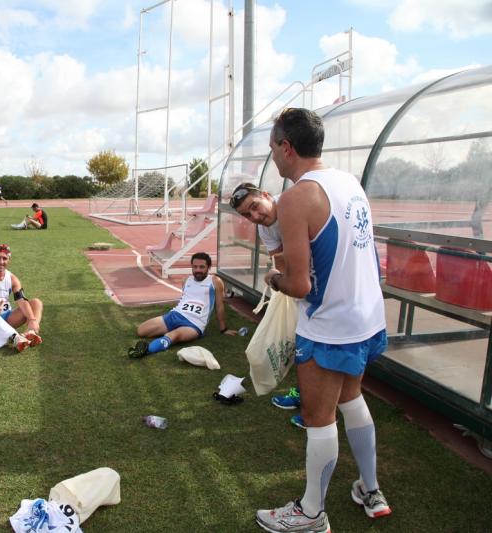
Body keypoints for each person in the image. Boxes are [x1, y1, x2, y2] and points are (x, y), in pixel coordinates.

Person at [255, 108, 391, 533]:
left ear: (286, 147)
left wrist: (273, 278)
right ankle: (370, 489)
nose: (273, 156)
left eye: (274, 147)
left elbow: (298, 285)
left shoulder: (298, 197)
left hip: (330, 325)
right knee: (352, 399)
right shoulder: (348, 181)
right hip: (367, 318)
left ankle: (311, 513)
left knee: (319, 418)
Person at [230, 182, 305, 429]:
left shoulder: (292, 205)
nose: (255, 216)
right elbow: (283, 264)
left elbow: (295, 265)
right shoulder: (266, 229)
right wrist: (280, 279)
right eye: (246, 215)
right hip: (306, 290)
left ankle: (318, 409)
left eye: (255, 207)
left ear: (265, 195)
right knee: (303, 347)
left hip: (330, 290)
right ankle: (306, 396)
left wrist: (275, 278)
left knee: (321, 355)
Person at [127, 252, 235, 358]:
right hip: (175, 315)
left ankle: (145, 350)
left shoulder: (215, 281)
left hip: (194, 324)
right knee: (141, 331)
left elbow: (219, 305)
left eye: (202, 267)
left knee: (173, 335)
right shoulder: (186, 280)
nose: (198, 270)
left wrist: (223, 329)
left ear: (209, 267)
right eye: (195, 267)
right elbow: (184, 299)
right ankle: (166, 332)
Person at [0, 243, 43, 351]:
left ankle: (31, 332)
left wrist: (32, 319)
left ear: (9, 260)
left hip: (7, 318)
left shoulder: (12, 278)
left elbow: (22, 300)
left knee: (36, 303)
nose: (1, 262)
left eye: (4, 258)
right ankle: (15, 338)